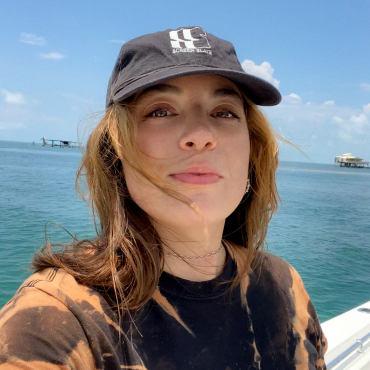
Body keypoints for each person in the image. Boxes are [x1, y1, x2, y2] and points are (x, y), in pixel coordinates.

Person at [0, 26, 327, 370]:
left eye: (225, 112)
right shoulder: (58, 318)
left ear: (251, 151)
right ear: (116, 152)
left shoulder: (283, 284)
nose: (200, 134)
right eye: (160, 111)